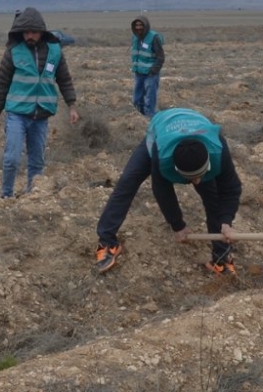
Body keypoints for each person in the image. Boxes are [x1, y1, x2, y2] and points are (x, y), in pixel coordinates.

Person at [94, 108, 241, 276]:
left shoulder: (219, 149)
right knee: (127, 182)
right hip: (162, 130)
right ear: (176, 169)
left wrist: (226, 222)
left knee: (213, 198)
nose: (197, 182)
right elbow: (162, 190)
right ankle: (107, 242)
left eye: (200, 175)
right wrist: (177, 225)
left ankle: (220, 259)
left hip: (196, 126)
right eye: (191, 178)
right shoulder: (161, 155)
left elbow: (231, 189)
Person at [0, 7, 79, 198]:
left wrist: (72, 105)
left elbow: (64, 79)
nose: (30, 36)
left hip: (42, 115)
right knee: (12, 158)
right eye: (26, 32)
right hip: (17, 113)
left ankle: (33, 194)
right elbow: (2, 82)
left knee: (37, 160)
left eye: (34, 32)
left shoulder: (55, 52)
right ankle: (6, 195)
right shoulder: (13, 52)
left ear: (42, 31)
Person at [130, 15, 165, 117]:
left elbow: (161, 57)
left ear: (146, 26)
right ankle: (139, 118)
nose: (139, 27)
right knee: (137, 99)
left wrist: (153, 71)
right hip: (139, 73)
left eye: (141, 25)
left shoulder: (154, 38)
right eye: (136, 25)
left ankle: (150, 118)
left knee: (150, 99)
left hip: (151, 74)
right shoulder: (135, 38)